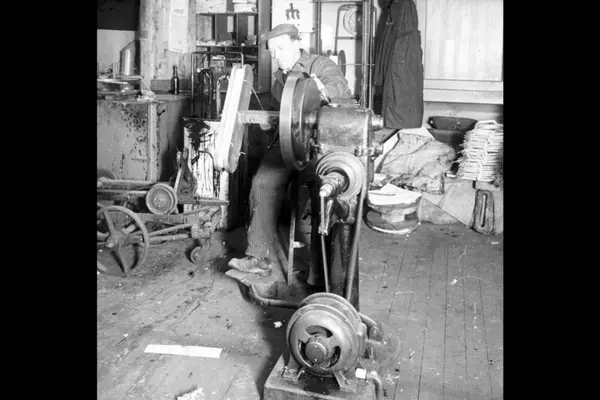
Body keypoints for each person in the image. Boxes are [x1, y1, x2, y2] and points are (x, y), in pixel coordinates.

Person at [228, 24, 352, 277]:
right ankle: (258, 258)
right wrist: (271, 121)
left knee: (324, 194)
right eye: (272, 52)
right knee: (263, 183)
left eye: (281, 48)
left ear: (297, 43)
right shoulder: (278, 78)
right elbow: (283, 114)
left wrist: (320, 89)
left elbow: (340, 91)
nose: (276, 56)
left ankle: (325, 271)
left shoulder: (321, 65)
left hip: (320, 144)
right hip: (290, 144)